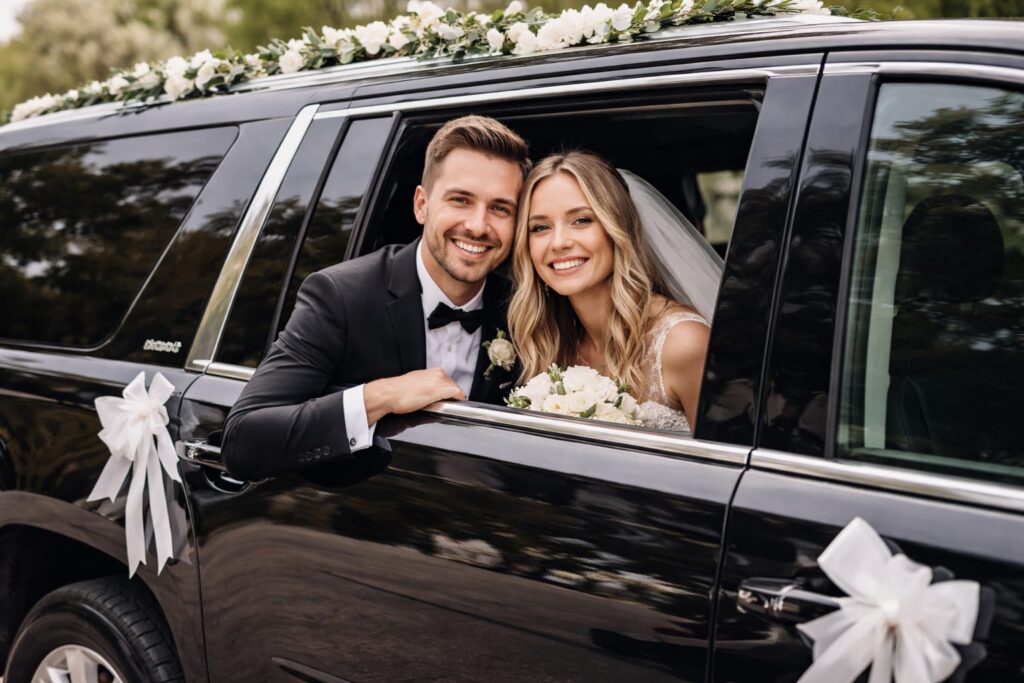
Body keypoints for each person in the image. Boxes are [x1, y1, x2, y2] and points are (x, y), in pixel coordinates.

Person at [222, 115, 530, 480]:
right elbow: (243, 441)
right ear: (421, 205)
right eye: (460, 200)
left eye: (500, 208)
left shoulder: (524, 310)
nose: (478, 226)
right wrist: (378, 397)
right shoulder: (339, 296)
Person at [508, 151, 721, 431]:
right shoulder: (552, 341)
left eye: (581, 220)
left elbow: (725, 468)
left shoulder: (683, 344)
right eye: (540, 227)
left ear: (617, 228)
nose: (558, 242)